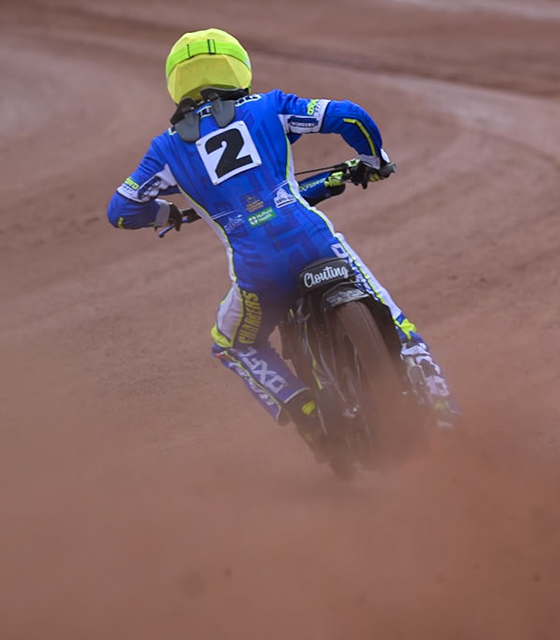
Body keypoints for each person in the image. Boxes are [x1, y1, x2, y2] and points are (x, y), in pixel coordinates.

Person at [106, 29, 455, 459]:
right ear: (239, 68)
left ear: (176, 83)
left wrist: (168, 214)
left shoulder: (166, 149)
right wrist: (373, 161)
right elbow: (350, 116)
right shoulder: (271, 107)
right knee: (399, 324)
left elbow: (120, 210)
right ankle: (441, 405)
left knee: (233, 343)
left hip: (259, 274)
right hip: (316, 243)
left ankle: (305, 410)